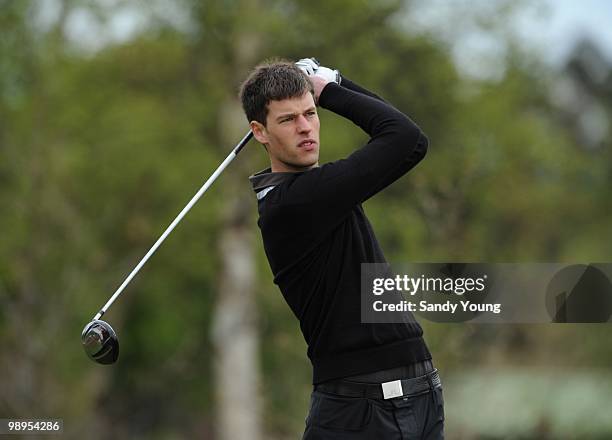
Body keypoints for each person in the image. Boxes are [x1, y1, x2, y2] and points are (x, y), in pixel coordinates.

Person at [240, 58, 444, 439]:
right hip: (365, 408)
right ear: (260, 132)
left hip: (412, 395)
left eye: (311, 114)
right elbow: (403, 136)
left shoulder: (319, 189)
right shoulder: (293, 203)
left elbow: (407, 142)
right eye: (287, 120)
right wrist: (331, 88)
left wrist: (334, 83)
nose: (305, 128)